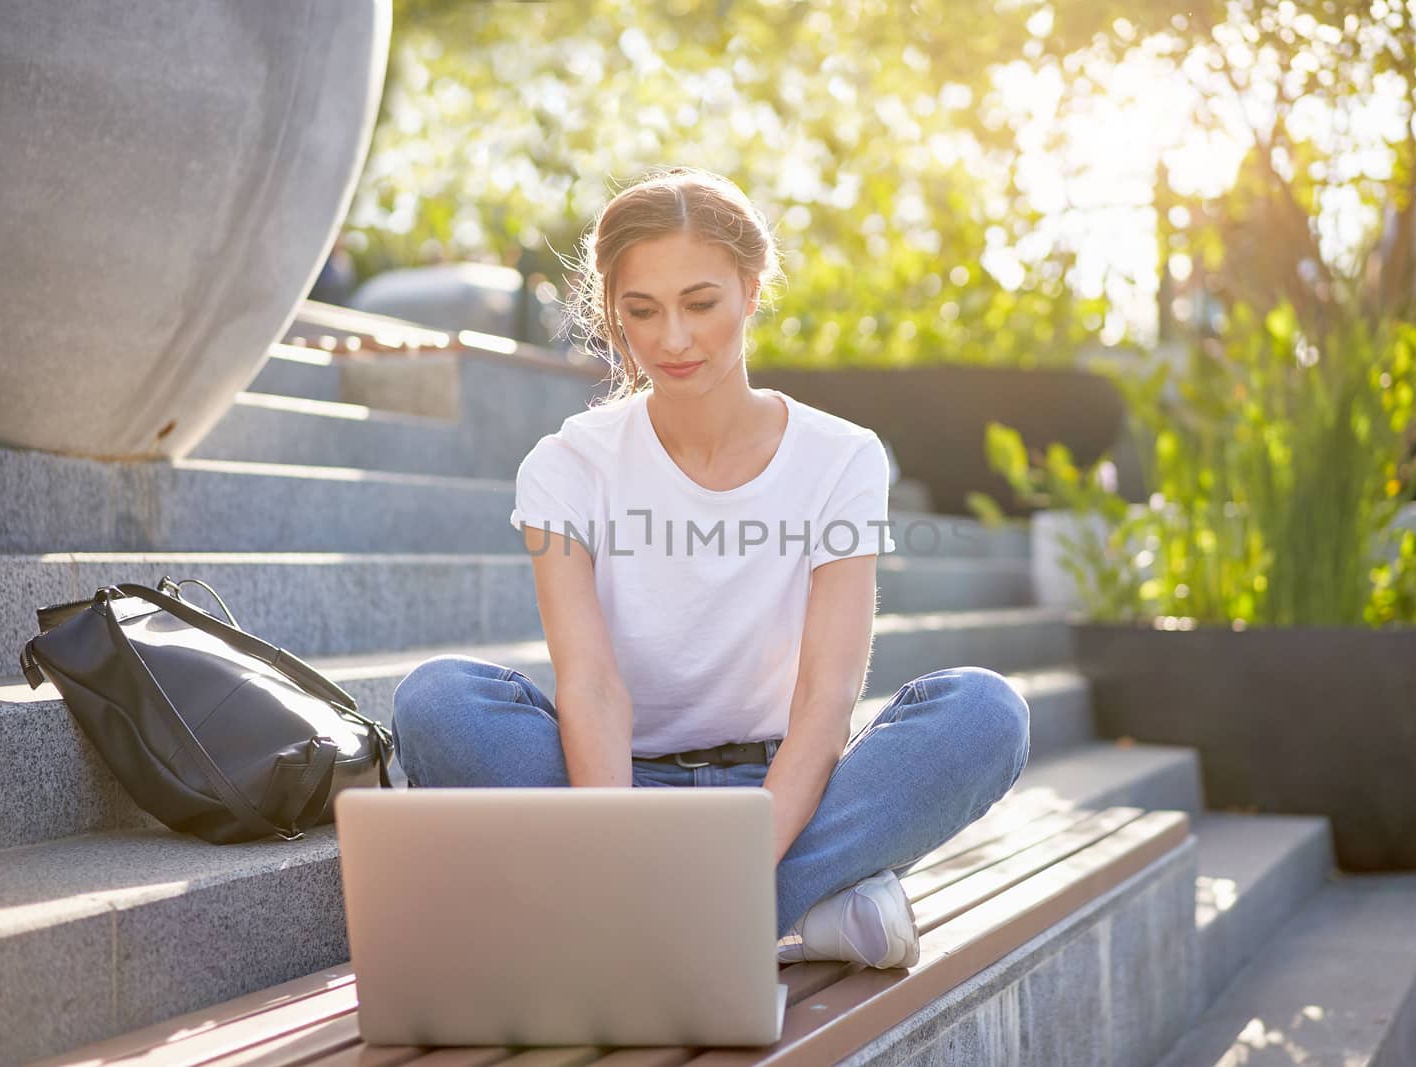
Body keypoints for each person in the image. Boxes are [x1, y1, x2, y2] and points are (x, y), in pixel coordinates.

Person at [390, 167, 1031, 970]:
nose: (672, 339)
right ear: (611, 312)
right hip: (620, 791)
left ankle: (641, 916)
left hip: (789, 791)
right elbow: (589, 686)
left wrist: (737, 852)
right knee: (438, 702)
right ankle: (801, 910)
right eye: (641, 311)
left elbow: (827, 697)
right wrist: (618, 843)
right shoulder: (565, 465)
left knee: (986, 712)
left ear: (752, 290)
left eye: (701, 303)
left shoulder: (842, 458)